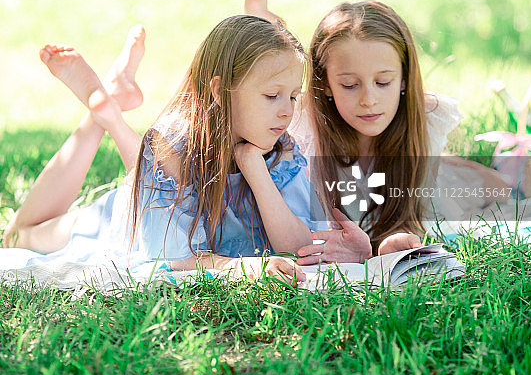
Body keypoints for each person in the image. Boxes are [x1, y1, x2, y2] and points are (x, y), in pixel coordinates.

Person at [2, 16, 324, 284]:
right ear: (219, 91)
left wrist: (255, 170)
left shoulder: (280, 153)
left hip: (153, 188)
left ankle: (109, 104)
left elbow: (302, 249)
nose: (287, 111)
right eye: (272, 96)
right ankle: (103, 110)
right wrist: (237, 267)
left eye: (293, 97)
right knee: (17, 237)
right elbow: (169, 258)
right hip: (121, 223)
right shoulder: (172, 145)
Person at [244, 0, 511, 263]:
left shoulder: (422, 116)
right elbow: (270, 67)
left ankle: (508, 163)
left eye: (383, 82)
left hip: (418, 172)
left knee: (497, 185)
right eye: (349, 85)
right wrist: (258, 11)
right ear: (326, 84)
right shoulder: (305, 119)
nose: (368, 99)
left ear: (403, 79)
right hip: (356, 176)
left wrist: (398, 239)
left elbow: (409, 213)